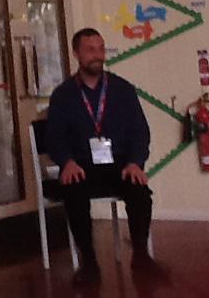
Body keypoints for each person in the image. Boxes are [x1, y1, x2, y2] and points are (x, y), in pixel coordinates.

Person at [46, 27, 160, 286]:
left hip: (119, 164)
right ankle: (89, 262)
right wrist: (67, 162)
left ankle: (141, 256)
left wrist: (135, 162)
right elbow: (55, 137)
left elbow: (140, 131)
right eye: (90, 50)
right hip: (82, 166)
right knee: (74, 192)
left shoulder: (123, 90)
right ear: (76, 54)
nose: (97, 55)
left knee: (140, 192)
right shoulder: (63, 95)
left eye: (100, 49)